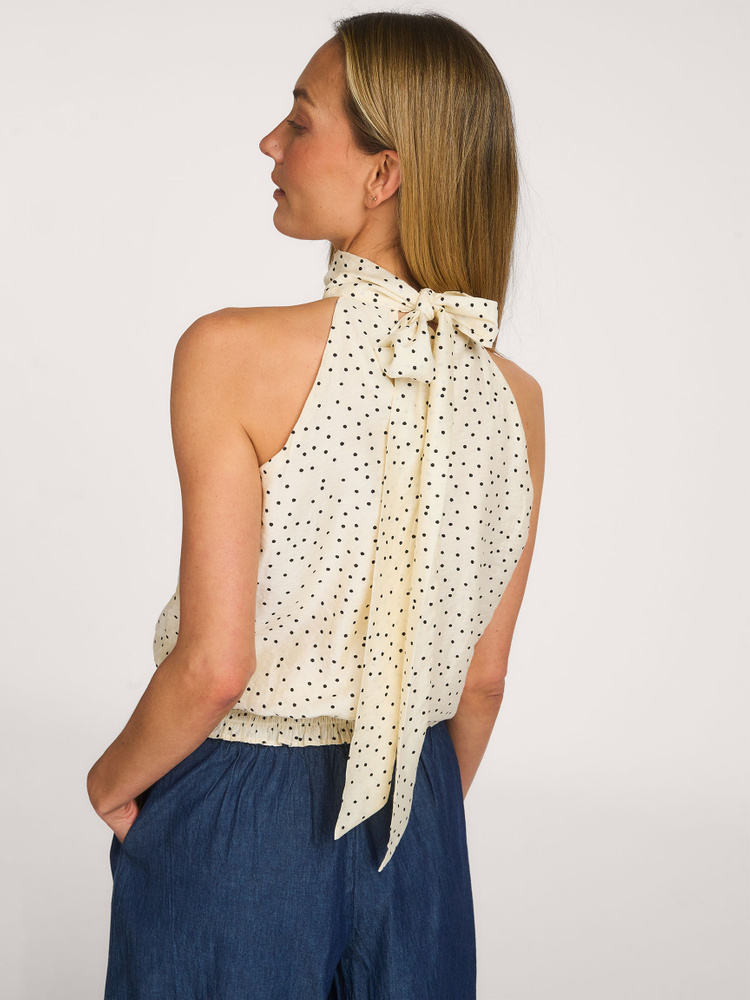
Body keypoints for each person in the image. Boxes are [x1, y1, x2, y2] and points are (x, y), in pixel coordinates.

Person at [87, 10, 545, 999]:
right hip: (420, 818)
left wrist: (108, 781)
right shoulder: (517, 399)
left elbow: (216, 666)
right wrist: (413, 830)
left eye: (299, 120)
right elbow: (483, 683)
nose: (271, 142)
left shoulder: (228, 352)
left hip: (244, 813)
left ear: (383, 175)